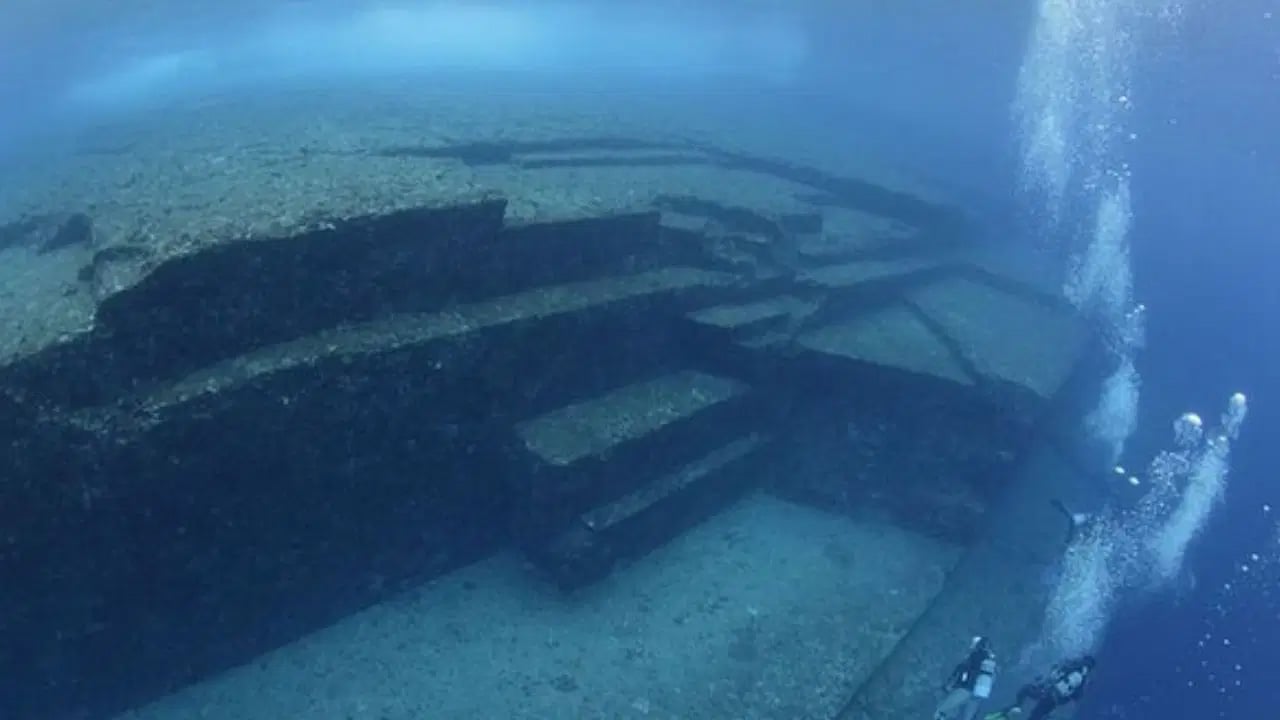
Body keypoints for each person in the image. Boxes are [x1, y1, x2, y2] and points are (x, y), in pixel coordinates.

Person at [986, 655, 1095, 720]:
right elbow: (1076, 697)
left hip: (1048, 692)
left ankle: (1016, 706)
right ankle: (1016, 708)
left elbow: (1056, 672)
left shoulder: (1074, 665)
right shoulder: (1083, 679)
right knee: (1036, 715)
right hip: (1055, 700)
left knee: (1025, 689)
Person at [934, 636, 998, 720]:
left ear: (978, 645)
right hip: (979, 693)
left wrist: (954, 685)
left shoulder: (974, 655)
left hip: (966, 688)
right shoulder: (991, 661)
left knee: (941, 711)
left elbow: (963, 670)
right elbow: (993, 678)